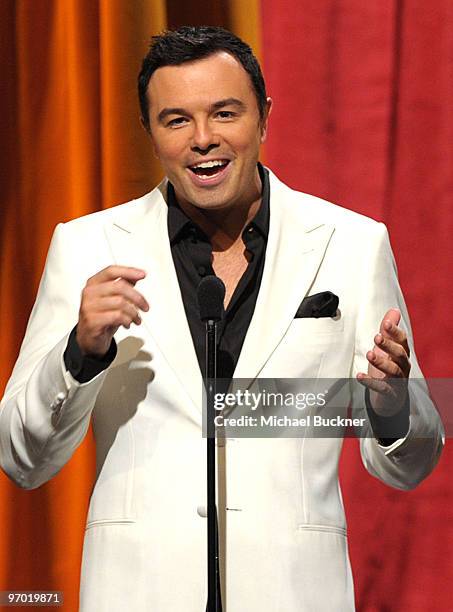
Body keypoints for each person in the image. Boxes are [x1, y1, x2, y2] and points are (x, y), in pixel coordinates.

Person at [0, 26, 444, 611]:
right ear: (150, 133)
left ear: (263, 117)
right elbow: (20, 457)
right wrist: (79, 353)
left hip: (292, 594)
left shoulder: (353, 244)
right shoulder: (87, 248)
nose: (203, 139)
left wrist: (391, 407)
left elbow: (414, 465)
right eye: (176, 120)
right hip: (138, 594)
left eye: (225, 113)